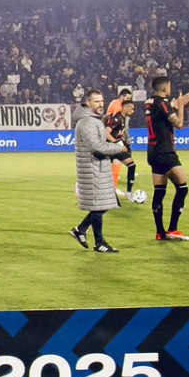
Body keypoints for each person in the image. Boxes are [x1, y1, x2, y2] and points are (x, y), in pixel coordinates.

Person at [69, 89, 131, 254]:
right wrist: (117, 147)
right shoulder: (88, 122)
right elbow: (95, 146)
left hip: (97, 168)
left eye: (102, 101)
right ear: (88, 103)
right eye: (96, 101)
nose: (100, 104)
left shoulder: (91, 120)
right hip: (93, 168)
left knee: (105, 203)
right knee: (99, 206)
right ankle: (99, 243)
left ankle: (80, 229)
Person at [145, 76, 189, 241]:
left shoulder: (149, 102)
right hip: (165, 151)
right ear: (165, 88)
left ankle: (160, 232)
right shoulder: (162, 102)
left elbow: (162, 111)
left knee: (159, 192)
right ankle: (173, 228)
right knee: (183, 188)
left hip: (152, 152)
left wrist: (173, 104)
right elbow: (179, 124)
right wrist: (180, 105)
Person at [105, 89, 143, 203]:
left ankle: (128, 193)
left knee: (131, 165)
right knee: (103, 171)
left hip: (117, 147)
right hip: (110, 147)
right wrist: (117, 143)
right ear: (125, 108)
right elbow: (106, 132)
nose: (133, 111)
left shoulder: (123, 118)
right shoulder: (117, 118)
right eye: (131, 108)